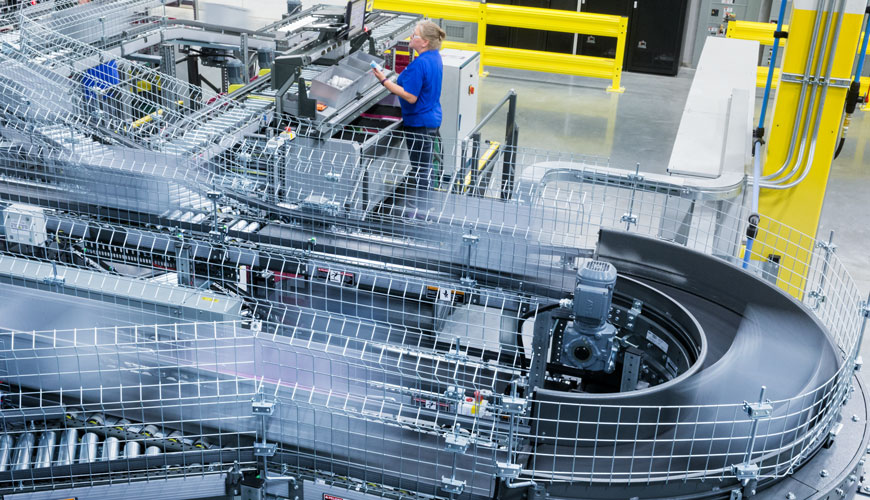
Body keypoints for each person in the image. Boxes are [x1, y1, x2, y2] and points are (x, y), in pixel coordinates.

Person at [372, 20, 445, 210]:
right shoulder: (434, 57)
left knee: (421, 169)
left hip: (419, 123)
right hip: (431, 119)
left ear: (425, 42)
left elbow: (411, 97)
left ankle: (419, 209)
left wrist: (383, 81)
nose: (411, 36)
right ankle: (424, 205)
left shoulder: (420, 63)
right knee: (426, 166)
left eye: (416, 35)